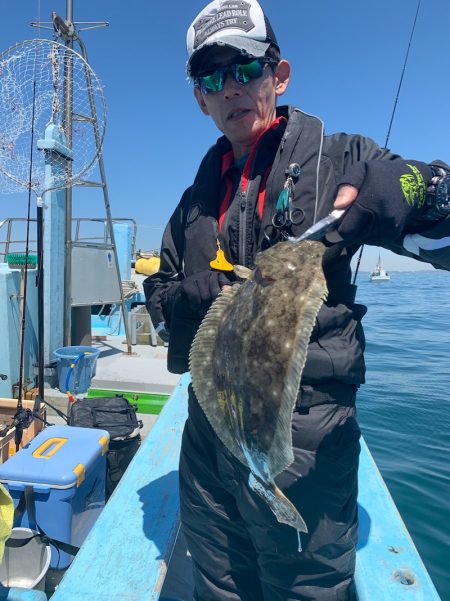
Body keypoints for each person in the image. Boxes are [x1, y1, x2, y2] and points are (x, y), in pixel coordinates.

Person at [144, 1, 450, 599]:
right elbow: (158, 300)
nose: (230, 88)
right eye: (211, 79)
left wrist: (420, 193)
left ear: (278, 76)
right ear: (200, 99)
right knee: (218, 582)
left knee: (306, 586)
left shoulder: (344, 162)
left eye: (245, 69)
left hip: (306, 440)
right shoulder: (192, 206)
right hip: (209, 432)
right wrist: (183, 296)